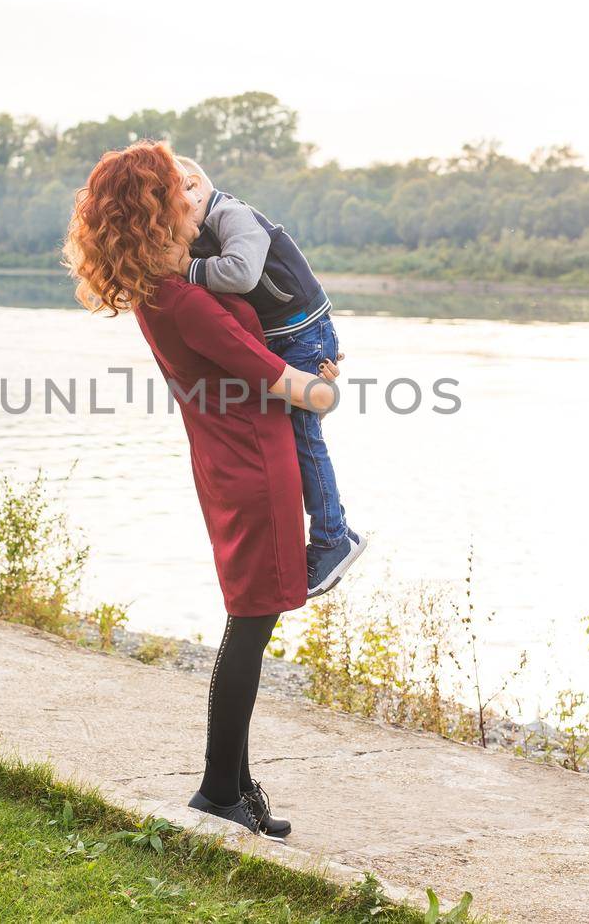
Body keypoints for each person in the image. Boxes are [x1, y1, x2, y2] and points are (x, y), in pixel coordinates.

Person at [64, 140, 338, 838]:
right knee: (250, 627)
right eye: (179, 193)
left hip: (231, 458)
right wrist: (326, 386)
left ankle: (235, 785)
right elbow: (276, 378)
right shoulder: (186, 302)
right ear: (158, 211)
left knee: (248, 621)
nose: (195, 202)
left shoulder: (163, 293)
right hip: (254, 464)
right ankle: (221, 787)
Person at [172, 155, 365, 598]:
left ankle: (334, 537)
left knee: (302, 431)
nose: (170, 215)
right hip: (284, 334)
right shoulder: (202, 228)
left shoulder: (231, 215)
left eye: (172, 199)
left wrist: (184, 269)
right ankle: (331, 535)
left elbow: (240, 274)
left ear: (195, 186)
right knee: (293, 430)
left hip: (303, 329)